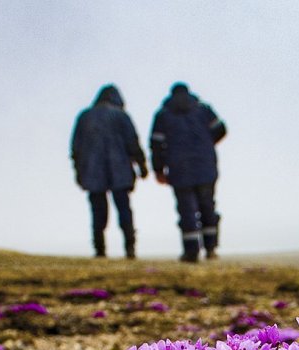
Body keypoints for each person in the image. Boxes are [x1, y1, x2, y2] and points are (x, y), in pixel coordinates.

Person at [150, 83, 227, 262]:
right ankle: (211, 248)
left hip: (179, 168)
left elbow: (156, 145)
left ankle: (191, 251)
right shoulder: (203, 110)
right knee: (208, 206)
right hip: (205, 166)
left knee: (187, 210)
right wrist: (206, 145)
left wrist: (158, 169)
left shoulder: (163, 115)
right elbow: (221, 130)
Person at [70, 85, 148, 259]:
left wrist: (78, 170)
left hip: (92, 171)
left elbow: (76, 147)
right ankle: (130, 248)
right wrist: (142, 165)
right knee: (124, 209)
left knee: (98, 212)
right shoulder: (121, 116)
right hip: (119, 170)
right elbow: (133, 143)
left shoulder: (85, 117)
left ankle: (100, 250)